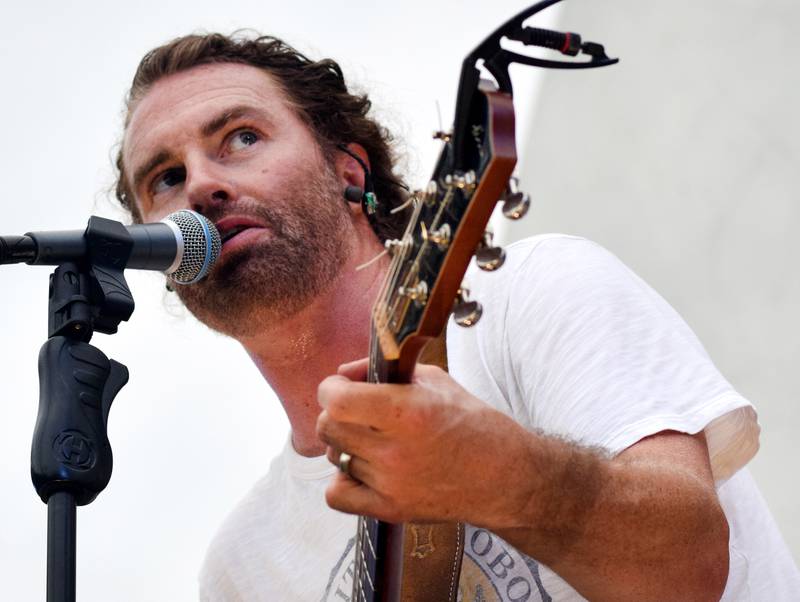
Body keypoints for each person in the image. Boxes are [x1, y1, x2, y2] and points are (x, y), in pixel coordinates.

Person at [114, 32, 798, 601]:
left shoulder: (538, 293)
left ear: (349, 169)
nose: (202, 183)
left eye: (239, 136)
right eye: (165, 178)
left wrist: (502, 475)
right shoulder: (243, 567)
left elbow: (688, 566)